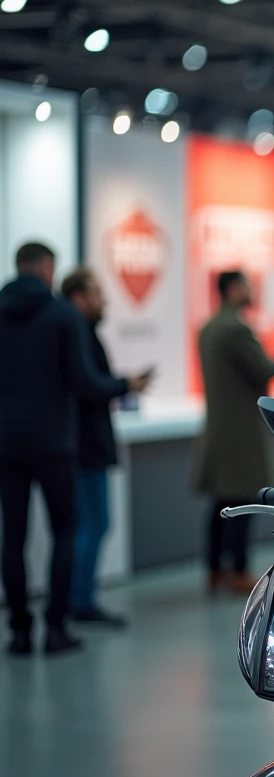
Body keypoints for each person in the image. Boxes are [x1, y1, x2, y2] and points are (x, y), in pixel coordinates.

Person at [0, 243, 149, 655]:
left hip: (7, 443)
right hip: (53, 442)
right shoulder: (62, 315)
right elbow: (85, 382)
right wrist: (124, 385)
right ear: (47, 267)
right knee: (65, 530)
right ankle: (56, 628)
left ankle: (17, 630)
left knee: (12, 538)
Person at [61, 269, 152, 625]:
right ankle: (80, 600)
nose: (105, 301)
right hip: (85, 447)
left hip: (83, 445)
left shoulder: (78, 334)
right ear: (79, 297)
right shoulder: (77, 334)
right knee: (93, 523)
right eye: (98, 293)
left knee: (92, 523)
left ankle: (78, 597)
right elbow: (89, 385)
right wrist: (123, 384)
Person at [195, 270, 274, 593]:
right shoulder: (236, 328)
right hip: (240, 429)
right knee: (242, 501)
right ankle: (238, 569)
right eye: (245, 285)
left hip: (219, 426)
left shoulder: (210, 327)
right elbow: (263, 369)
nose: (251, 290)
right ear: (232, 289)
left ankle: (215, 569)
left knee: (220, 503)